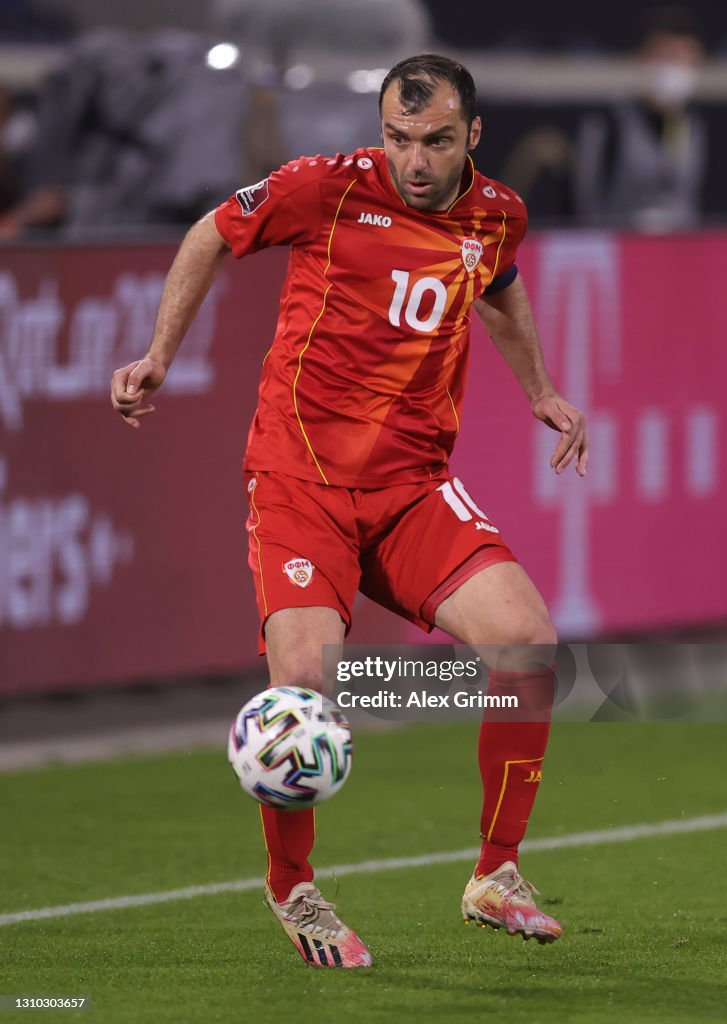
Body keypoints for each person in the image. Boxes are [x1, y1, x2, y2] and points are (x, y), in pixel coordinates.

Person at [111, 54, 588, 969]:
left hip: (411, 486)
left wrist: (541, 390)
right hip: (300, 482)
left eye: (436, 141)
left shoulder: (497, 213)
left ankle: (496, 872)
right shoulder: (323, 189)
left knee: (528, 646)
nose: (413, 160)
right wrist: (158, 354)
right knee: (303, 692)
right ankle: (294, 889)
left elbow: (499, 284)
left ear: (472, 138)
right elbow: (210, 233)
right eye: (398, 138)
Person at [574, 7, 707, 231]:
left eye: (685, 56)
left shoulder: (694, 125)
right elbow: (587, 199)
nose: (676, 66)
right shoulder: (608, 123)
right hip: (624, 253)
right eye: (666, 55)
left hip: (682, 256)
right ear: (641, 57)